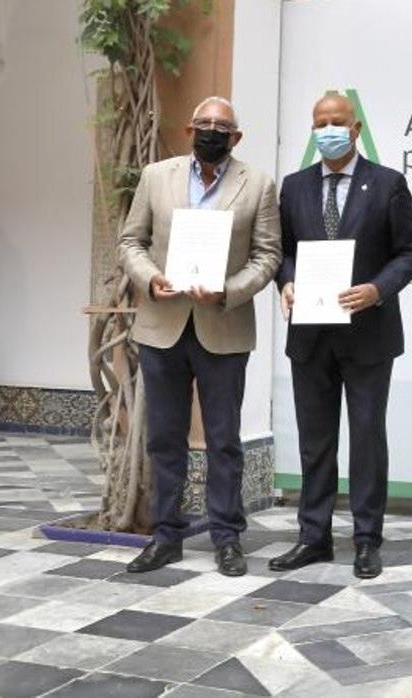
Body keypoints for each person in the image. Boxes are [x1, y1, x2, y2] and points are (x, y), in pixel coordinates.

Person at [119, 96, 282, 577]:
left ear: (236, 136)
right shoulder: (156, 176)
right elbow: (132, 241)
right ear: (189, 129)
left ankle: (227, 537)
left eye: (222, 125)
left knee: (224, 440)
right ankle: (165, 535)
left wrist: (228, 291)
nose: (212, 130)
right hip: (161, 324)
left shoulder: (258, 184)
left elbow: (268, 255)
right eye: (204, 123)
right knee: (164, 437)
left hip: (223, 326)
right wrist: (151, 278)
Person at [270, 94, 412, 579]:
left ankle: (366, 538)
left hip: (369, 333)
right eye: (319, 123)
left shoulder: (387, 184)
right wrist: (287, 280)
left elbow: (409, 253)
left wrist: (378, 289)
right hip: (310, 333)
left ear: (355, 129)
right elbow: (283, 251)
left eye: (337, 122)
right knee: (316, 441)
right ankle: (313, 536)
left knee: (367, 439)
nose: (328, 129)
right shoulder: (294, 187)